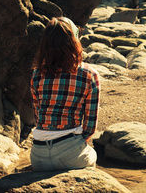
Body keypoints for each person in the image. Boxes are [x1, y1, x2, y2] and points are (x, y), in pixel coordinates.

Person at [30, 17, 100, 171]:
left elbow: (38, 117)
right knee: (92, 156)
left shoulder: (37, 74)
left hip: (38, 155)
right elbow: (90, 127)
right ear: (74, 41)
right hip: (70, 153)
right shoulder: (89, 74)